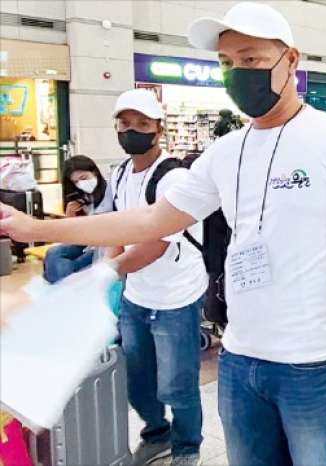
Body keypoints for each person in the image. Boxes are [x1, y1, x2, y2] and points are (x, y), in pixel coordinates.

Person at [0, 4, 326, 464]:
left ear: (291, 60)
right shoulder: (224, 152)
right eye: (226, 64)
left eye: (251, 59)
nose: (237, 73)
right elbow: (151, 221)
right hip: (241, 363)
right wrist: (38, 226)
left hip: (317, 365)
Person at [104, 89, 209, 466]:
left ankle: (187, 447)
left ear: (159, 130)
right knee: (137, 380)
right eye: (125, 124)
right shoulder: (117, 173)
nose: (132, 131)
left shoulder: (174, 177)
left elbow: (156, 244)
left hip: (176, 296)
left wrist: (108, 272)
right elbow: (114, 229)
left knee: (176, 384)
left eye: (142, 125)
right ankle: (156, 433)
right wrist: (110, 273)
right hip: (137, 295)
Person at [43, 155, 111, 283]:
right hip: (85, 243)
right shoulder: (80, 198)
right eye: (75, 182)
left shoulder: (109, 192)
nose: (81, 184)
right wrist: (70, 215)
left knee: (65, 266)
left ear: (94, 172)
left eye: (83, 178)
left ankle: (63, 292)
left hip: (103, 245)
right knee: (54, 253)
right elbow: (69, 237)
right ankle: (65, 292)